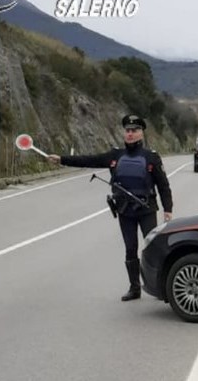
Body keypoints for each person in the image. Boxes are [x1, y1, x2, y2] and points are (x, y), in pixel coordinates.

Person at [47, 114, 173, 301]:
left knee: (152, 248)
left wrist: (168, 209)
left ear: (142, 134)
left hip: (146, 209)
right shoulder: (115, 155)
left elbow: (163, 185)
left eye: (134, 130)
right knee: (130, 249)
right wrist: (62, 159)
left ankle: (160, 287)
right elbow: (89, 160)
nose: (130, 134)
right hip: (125, 210)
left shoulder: (151, 157)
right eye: (127, 131)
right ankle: (134, 287)